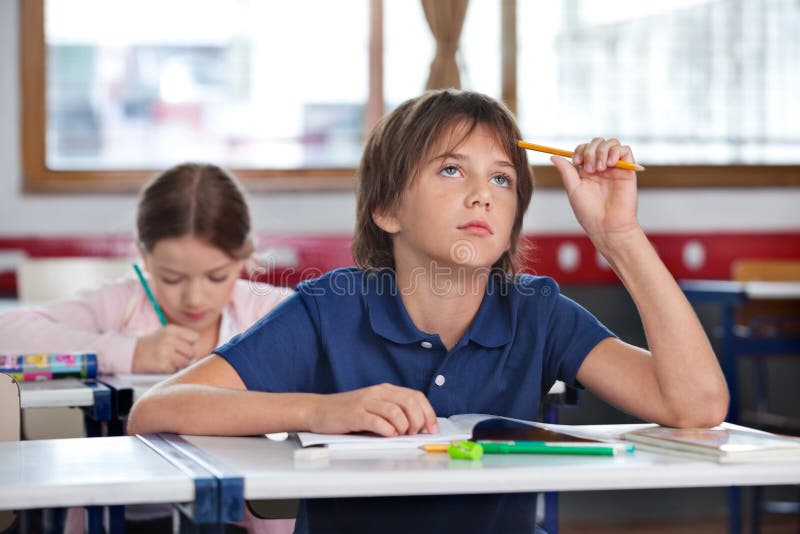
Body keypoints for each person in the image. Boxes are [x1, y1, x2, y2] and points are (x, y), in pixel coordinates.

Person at [128, 90, 729, 534]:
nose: (481, 194)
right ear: (387, 208)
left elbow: (697, 406)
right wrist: (322, 410)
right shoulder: (331, 307)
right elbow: (156, 409)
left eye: (501, 179)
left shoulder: (536, 312)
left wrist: (618, 235)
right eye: (450, 169)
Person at [0, 163, 294, 534]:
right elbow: (6, 333)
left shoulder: (265, 311)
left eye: (216, 276)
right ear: (144, 256)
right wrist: (129, 352)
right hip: (127, 511)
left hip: (242, 511)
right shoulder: (122, 304)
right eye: (171, 278)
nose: (194, 297)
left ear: (244, 257)